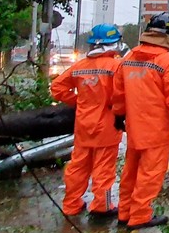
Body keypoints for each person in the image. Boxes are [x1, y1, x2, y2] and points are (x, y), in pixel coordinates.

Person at [112, 12, 169, 230]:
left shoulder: (128, 59)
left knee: (130, 171)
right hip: (156, 129)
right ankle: (139, 216)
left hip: (134, 128)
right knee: (150, 174)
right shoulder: (167, 61)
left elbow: (118, 94)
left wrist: (119, 116)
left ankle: (124, 212)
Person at [50, 24, 125, 219]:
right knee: (104, 170)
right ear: (113, 43)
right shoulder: (116, 67)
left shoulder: (79, 67)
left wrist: (80, 102)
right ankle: (102, 206)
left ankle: (71, 204)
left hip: (83, 125)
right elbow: (123, 96)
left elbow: (57, 88)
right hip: (108, 126)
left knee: (78, 166)